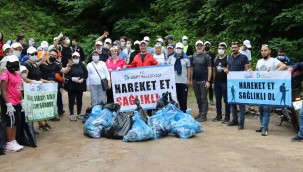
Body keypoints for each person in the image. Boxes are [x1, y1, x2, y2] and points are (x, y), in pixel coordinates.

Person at [255, 44, 286, 136]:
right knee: (260, 108)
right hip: (260, 87)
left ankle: (265, 127)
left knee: (266, 108)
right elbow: (257, 72)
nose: (263, 52)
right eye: (262, 50)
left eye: (265, 50)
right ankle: (262, 125)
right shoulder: (259, 61)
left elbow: (283, 66)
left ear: (269, 51)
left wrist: (274, 73)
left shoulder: (273, 60)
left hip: (269, 88)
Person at [40, 49, 74, 120]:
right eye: (52, 55)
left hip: (53, 86)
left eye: (55, 56)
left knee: (54, 101)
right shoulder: (42, 63)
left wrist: (69, 66)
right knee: (44, 102)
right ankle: (43, 118)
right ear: (49, 54)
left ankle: (52, 115)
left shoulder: (56, 64)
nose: (53, 56)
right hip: (43, 85)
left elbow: (64, 71)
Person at [0, 55, 25, 152]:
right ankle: (9, 143)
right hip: (9, 101)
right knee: (10, 122)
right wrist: (8, 104)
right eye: (14, 64)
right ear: (9, 65)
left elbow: (19, 88)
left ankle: (13, 140)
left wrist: (22, 100)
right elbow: (3, 90)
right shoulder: (5, 75)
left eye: (17, 63)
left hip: (17, 101)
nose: (16, 65)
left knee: (15, 121)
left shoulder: (17, 74)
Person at [23, 47, 51, 131]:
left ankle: (42, 123)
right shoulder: (26, 65)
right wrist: (34, 82)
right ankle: (35, 126)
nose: (34, 55)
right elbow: (24, 78)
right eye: (32, 54)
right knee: (32, 109)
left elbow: (38, 78)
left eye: (35, 54)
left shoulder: (35, 64)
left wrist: (47, 81)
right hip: (31, 90)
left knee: (40, 107)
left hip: (38, 89)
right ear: (28, 55)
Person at [224, 41, 250, 130]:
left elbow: (247, 69)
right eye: (232, 47)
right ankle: (234, 119)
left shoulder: (244, 57)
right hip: (231, 83)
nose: (234, 49)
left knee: (241, 104)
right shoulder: (229, 57)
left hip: (241, 84)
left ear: (238, 48)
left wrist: (249, 71)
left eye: (235, 47)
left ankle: (241, 122)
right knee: (232, 102)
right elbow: (227, 67)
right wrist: (226, 70)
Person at [190, 40, 212, 122]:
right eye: (197, 45)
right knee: (198, 98)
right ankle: (200, 112)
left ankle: (204, 115)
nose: (199, 47)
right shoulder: (193, 57)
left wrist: (208, 81)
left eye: (200, 45)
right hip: (195, 80)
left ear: (203, 47)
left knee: (203, 98)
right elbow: (191, 69)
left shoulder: (206, 56)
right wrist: (191, 80)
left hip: (204, 80)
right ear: (195, 47)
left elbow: (209, 69)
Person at [167, 42, 191, 113]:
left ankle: (183, 112)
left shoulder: (187, 58)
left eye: (180, 48)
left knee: (183, 98)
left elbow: (189, 69)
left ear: (182, 49)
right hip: (173, 81)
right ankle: (175, 112)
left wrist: (188, 79)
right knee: (174, 98)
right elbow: (167, 68)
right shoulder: (171, 58)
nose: (178, 49)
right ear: (175, 49)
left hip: (183, 81)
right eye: (177, 48)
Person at [65, 52, 88, 121]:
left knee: (79, 100)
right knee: (71, 100)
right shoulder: (70, 65)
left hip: (80, 85)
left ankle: (79, 114)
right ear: (72, 58)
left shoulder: (82, 65)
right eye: (74, 57)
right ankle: (71, 115)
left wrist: (83, 79)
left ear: (79, 58)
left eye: (77, 57)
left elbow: (86, 74)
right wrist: (72, 78)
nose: (75, 59)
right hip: (72, 86)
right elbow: (66, 74)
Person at [212, 42, 230, 123]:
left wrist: (228, 70)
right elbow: (214, 71)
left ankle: (227, 117)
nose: (221, 50)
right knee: (218, 100)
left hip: (225, 82)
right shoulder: (215, 59)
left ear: (225, 49)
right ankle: (218, 115)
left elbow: (230, 69)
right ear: (217, 49)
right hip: (217, 83)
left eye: (223, 48)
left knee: (226, 100)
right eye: (219, 48)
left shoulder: (228, 58)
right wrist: (213, 82)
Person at [289, 62, 303, 141]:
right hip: (293, 92)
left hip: (296, 92)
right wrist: (293, 67)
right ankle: (301, 134)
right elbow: (299, 64)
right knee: (301, 113)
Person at [204, 41, 216, 106]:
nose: (207, 46)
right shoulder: (202, 54)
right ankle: (204, 99)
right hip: (203, 73)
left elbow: (214, 65)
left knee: (211, 87)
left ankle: (211, 99)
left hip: (210, 72)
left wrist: (214, 73)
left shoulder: (212, 54)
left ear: (210, 46)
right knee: (204, 87)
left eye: (208, 45)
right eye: (206, 45)